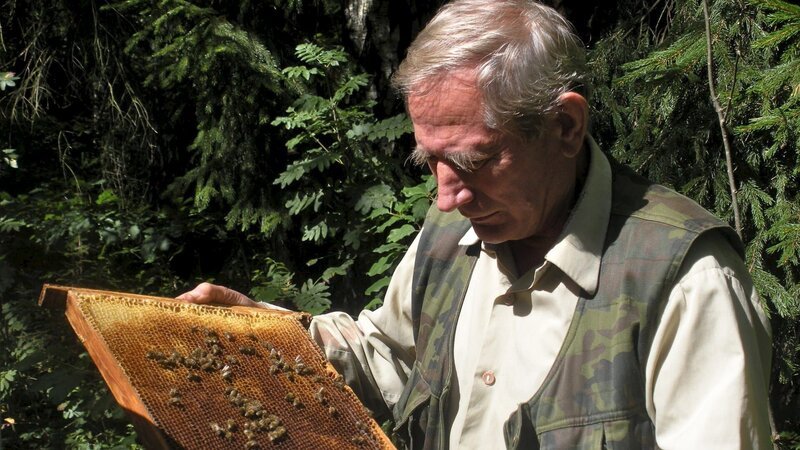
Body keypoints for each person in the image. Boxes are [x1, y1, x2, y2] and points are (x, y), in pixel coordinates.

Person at [177, 0, 773, 448]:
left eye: (474, 160)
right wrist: (274, 343)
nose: (444, 198)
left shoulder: (686, 280)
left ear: (565, 127)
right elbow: (390, 356)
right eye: (429, 161)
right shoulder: (452, 238)